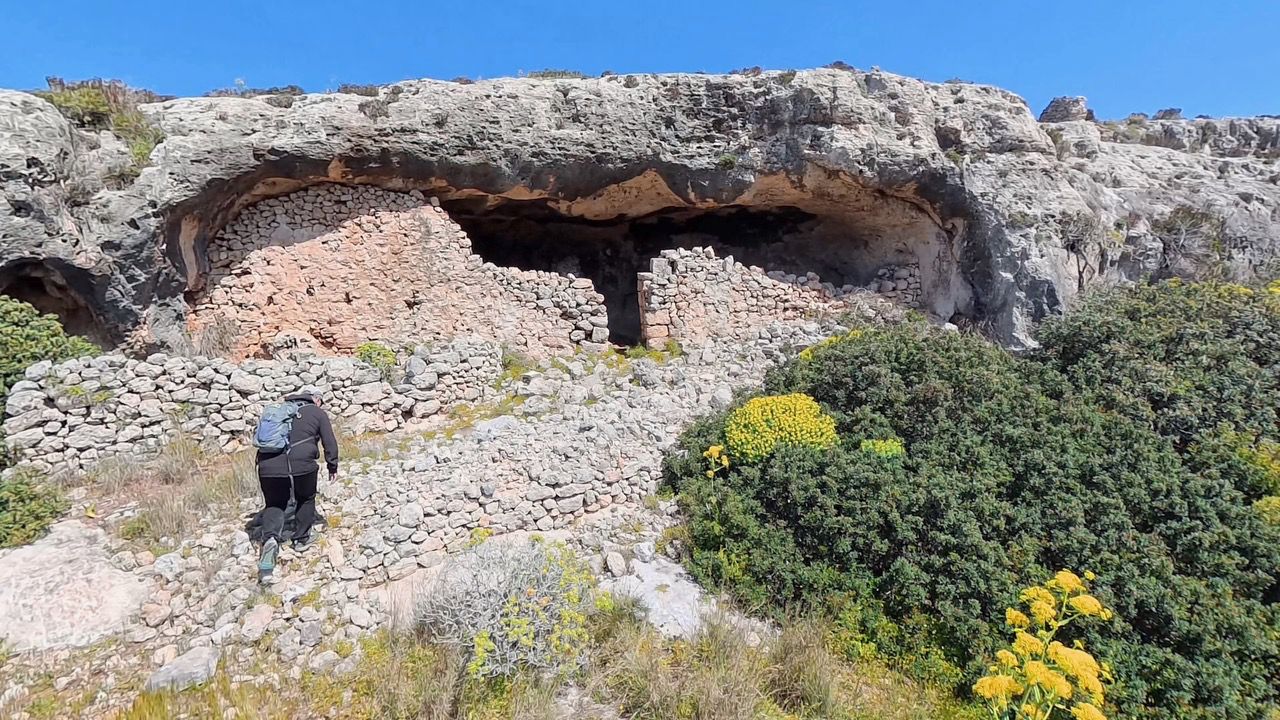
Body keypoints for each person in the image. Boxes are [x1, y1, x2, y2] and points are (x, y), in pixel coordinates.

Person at [255, 386, 338, 583]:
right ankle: (301, 539)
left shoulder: (279, 410)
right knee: (305, 497)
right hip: (301, 466)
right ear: (316, 400)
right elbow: (330, 442)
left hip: (267, 466)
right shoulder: (317, 413)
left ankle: (271, 540)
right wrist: (332, 466)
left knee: (275, 503)